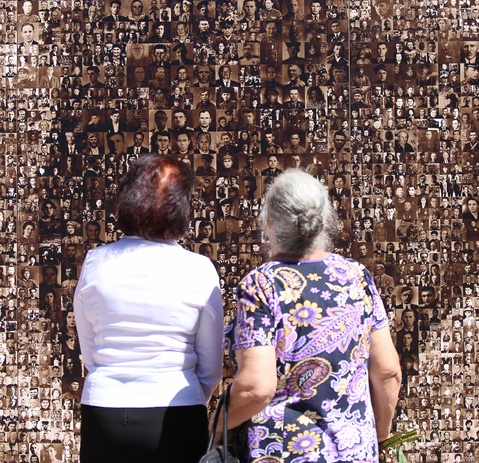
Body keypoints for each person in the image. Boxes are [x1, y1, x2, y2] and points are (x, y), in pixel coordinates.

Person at [219, 169, 402, 462]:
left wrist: (215, 430)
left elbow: (256, 388)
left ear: (269, 223)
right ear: (325, 219)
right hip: (352, 452)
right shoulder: (357, 277)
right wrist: (379, 437)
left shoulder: (261, 285)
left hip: (283, 452)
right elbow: (388, 370)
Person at [74, 155, 224, 463]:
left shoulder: (95, 263)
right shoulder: (199, 269)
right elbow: (211, 366)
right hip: (177, 412)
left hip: (105, 410)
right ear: (181, 207)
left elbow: (89, 351)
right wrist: (193, 398)